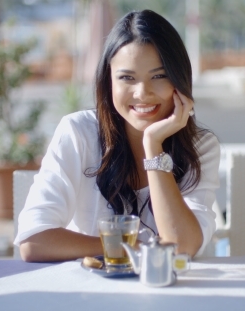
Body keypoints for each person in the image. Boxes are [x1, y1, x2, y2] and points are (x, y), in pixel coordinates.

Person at [15, 9, 220, 262]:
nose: (143, 92)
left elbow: (181, 247)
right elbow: (34, 241)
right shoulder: (79, 132)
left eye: (159, 76)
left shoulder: (200, 147)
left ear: (179, 79)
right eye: (127, 78)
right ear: (108, 81)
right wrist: (125, 248)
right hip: (92, 293)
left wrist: (153, 146)